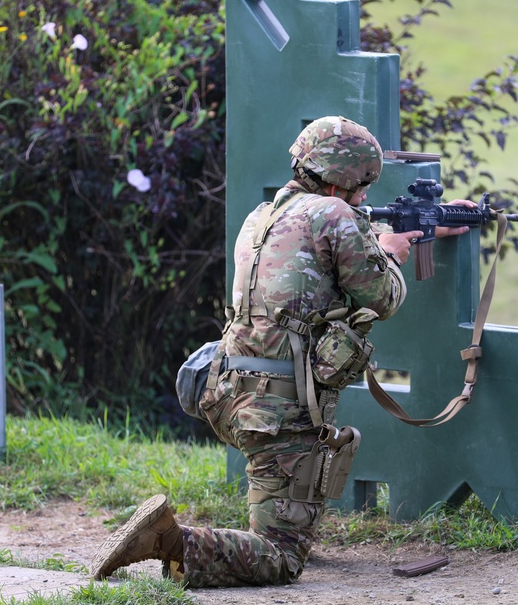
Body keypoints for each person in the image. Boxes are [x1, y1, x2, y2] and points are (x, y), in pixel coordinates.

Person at [89, 116, 473, 587]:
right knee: (280, 558)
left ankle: (187, 544)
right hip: (280, 411)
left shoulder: (262, 216)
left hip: (230, 390)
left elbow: (312, 263)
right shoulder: (336, 216)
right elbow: (383, 298)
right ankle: (168, 540)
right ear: (341, 180)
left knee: (282, 523)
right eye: (362, 186)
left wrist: (413, 226)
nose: (364, 197)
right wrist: (390, 254)